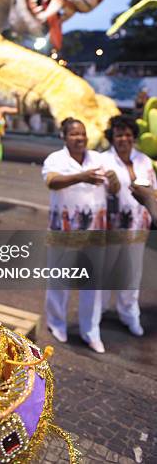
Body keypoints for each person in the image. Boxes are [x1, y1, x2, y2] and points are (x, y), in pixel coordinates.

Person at [42, 118, 119, 354]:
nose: (80, 138)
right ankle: (56, 323)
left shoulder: (100, 158)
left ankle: (91, 331)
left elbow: (113, 189)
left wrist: (115, 183)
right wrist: (81, 177)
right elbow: (52, 181)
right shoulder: (55, 159)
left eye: (83, 134)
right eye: (74, 134)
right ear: (64, 137)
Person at [101, 115, 157, 337]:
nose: (123, 139)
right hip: (111, 227)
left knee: (131, 273)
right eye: (118, 135)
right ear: (112, 138)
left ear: (133, 136)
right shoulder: (103, 160)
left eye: (127, 134)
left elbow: (153, 191)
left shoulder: (143, 161)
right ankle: (99, 312)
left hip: (139, 225)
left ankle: (129, 315)